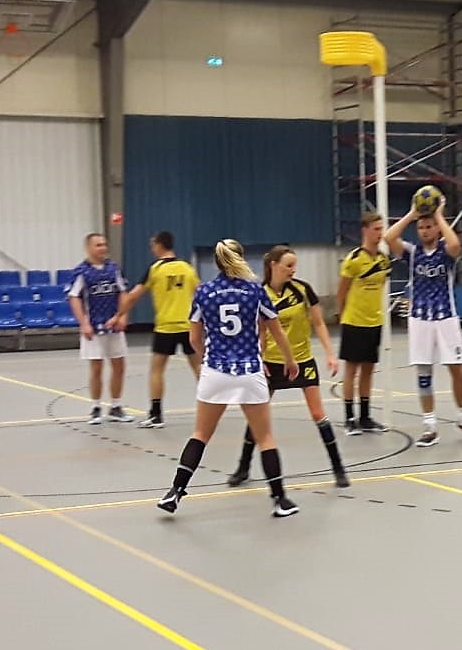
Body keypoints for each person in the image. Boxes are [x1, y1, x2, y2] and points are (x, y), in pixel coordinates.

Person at [158, 239, 300, 517]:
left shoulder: (204, 292)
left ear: (217, 262)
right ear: (241, 259)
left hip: (216, 371)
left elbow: (194, 338)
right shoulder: (255, 291)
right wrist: (290, 360)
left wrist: (208, 356)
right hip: (249, 371)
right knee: (265, 437)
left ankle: (175, 492)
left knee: (201, 434)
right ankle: (280, 499)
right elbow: (276, 330)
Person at [229, 245, 351, 489]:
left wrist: (330, 354)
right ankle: (243, 467)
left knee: (318, 414)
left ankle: (338, 468)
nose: (293, 270)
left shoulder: (303, 290)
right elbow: (260, 332)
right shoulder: (260, 294)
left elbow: (319, 323)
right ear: (274, 265)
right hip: (272, 363)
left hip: (302, 360)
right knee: (257, 416)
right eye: (289, 265)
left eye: (295, 265)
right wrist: (259, 360)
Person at [384, 195, 462, 447]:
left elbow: (455, 244)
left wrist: (439, 214)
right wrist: (412, 214)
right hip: (420, 319)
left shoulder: (445, 251)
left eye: (429, 226)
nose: (424, 230)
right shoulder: (412, 253)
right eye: (421, 227)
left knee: (456, 368)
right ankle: (429, 426)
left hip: (446, 317)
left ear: (437, 228)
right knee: (423, 372)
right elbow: (389, 237)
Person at [111, 231, 200, 429]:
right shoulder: (187, 268)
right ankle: (211, 407)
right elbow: (201, 293)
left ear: (160, 245)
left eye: (153, 245)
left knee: (157, 370)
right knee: (199, 368)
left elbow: (133, 296)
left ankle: (156, 415)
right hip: (188, 325)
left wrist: (118, 315)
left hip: (166, 326)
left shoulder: (155, 269)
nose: (152, 249)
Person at [66, 232, 132, 425]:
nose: (103, 248)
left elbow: (123, 292)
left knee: (119, 366)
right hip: (94, 328)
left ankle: (116, 406)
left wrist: (122, 315)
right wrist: (84, 323)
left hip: (114, 326)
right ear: (88, 248)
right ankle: (95, 407)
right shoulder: (81, 271)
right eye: (98, 245)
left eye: (104, 244)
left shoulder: (113, 268)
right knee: (96, 368)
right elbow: (74, 297)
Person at [336, 212, 393, 435]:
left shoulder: (383, 260)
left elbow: (380, 286)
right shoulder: (354, 260)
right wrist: (344, 317)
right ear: (365, 231)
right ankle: (350, 418)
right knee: (351, 370)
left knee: (369, 370)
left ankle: (365, 417)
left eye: (381, 229)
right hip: (354, 322)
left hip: (374, 322)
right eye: (376, 229)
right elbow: (341, 292)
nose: (380, 233)